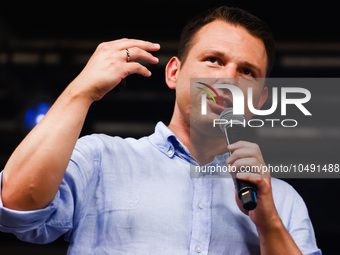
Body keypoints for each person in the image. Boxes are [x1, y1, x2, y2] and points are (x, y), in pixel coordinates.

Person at [0, 6, 321, 255]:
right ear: (174, 73)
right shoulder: (101, 158)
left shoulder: (282, 201)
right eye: (213, 60)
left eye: (247, 72)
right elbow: (14, 207)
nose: (228, 80)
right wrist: (80, 91)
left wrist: (268, 223)